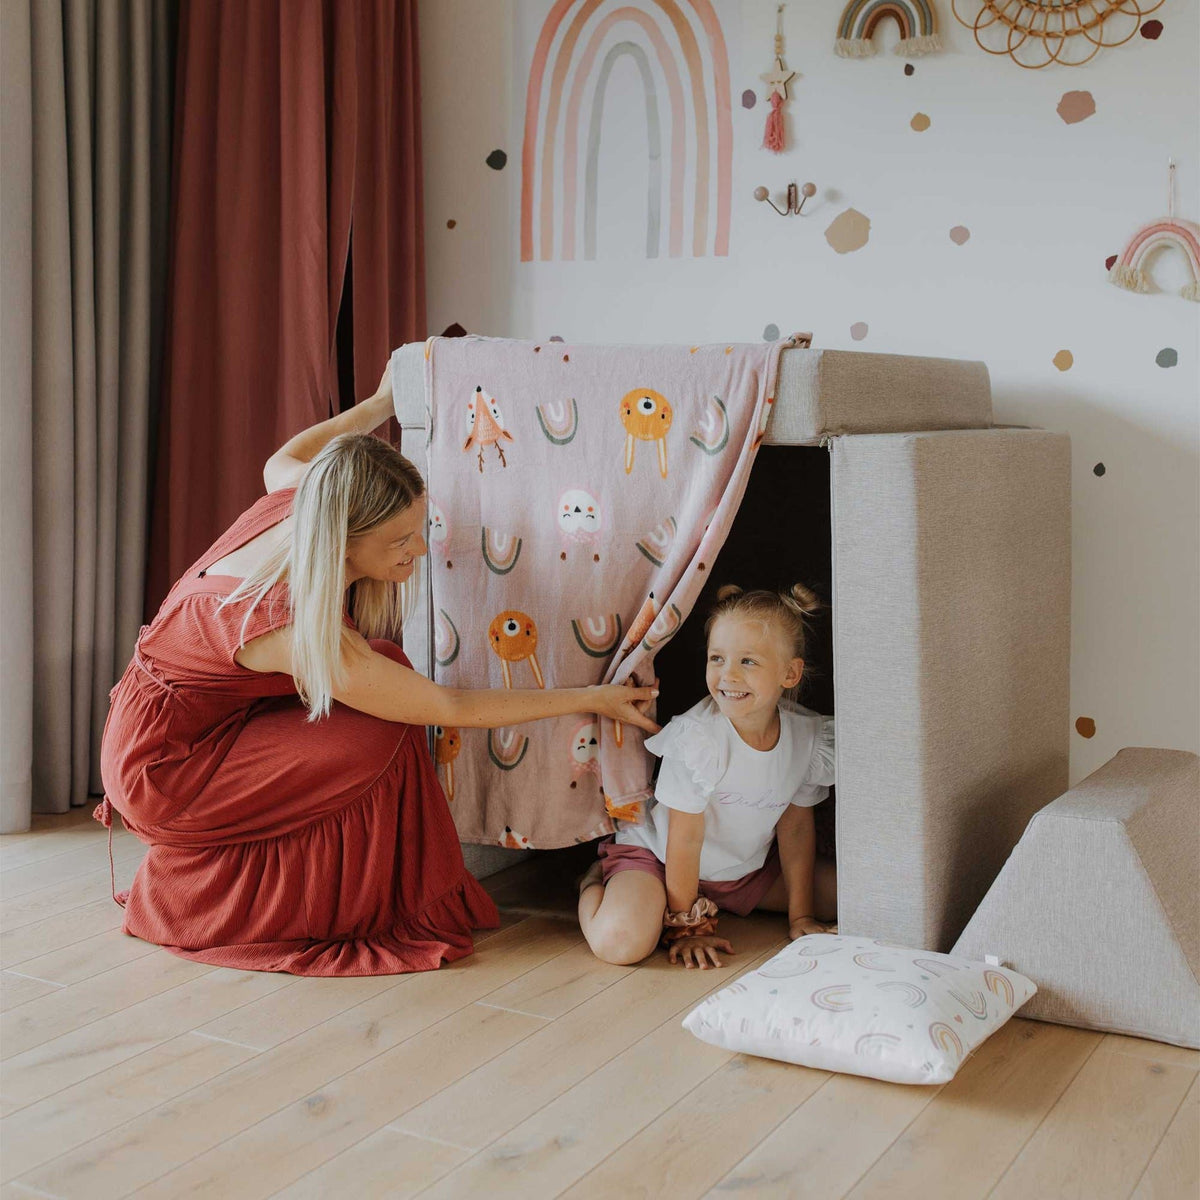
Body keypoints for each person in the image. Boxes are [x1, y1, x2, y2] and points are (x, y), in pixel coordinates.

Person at [98, 364, 659, 976]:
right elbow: (449, 709)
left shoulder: (308, 502)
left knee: (387, 667)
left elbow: (287, 457)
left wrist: (381, 402)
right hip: (165, 771)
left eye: (418, 529)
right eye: (400, 541)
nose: (419, 551)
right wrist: (592, 698)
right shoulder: (277, 620)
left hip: (195, 728)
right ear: (344, 539)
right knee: (378, 732)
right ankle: (261, 903)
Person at [578, 583, 837, 970]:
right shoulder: (698, 740)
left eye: (748, 661)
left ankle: (705, 900)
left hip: (741, 873)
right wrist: (689, 928)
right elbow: (685, 838)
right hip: (661, 859)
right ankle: (593, 881)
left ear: (790, 673)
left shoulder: (806, 738)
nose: (727, 675)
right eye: (717, 658)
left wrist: (800, 918)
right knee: (620, 942)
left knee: (859, 899)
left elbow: (796, 828)